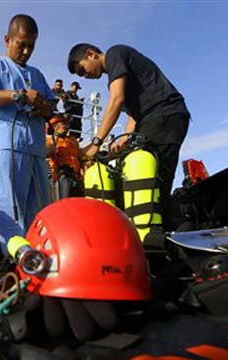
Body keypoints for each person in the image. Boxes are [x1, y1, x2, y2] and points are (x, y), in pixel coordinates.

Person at [67, 43, 190, 246]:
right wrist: (124, 138)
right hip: (153, 118)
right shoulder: (117, 75)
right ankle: (152, 234)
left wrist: (96, 143)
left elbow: (116, 100)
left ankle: (158, 241)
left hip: (165, 114)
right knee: (144, 176)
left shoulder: (115, 53)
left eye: (83, 70)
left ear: (91, 54)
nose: (85, 76)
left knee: (154, 180)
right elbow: (133, 113)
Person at [0, 14, 55, 255]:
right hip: (8, 146)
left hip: (36, 151)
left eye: (31, 45)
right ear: (7, 40)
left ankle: (41, 257)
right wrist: (19, 95)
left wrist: (45, 108)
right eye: (21, 44)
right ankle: (17, 258)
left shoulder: (38, 75)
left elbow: (51, 107)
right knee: (11, 208)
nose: (27, 51)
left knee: (40, 208)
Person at [46, 115, 83, 199]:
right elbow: (47, 152)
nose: (66, 126)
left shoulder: (73, 140)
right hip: (61, 177)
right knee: (62, 204)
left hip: (76, 178)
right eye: (63, 124)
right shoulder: (49, 140)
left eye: (66, 124)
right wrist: (56, 136)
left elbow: (80, 156)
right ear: (54, 126)